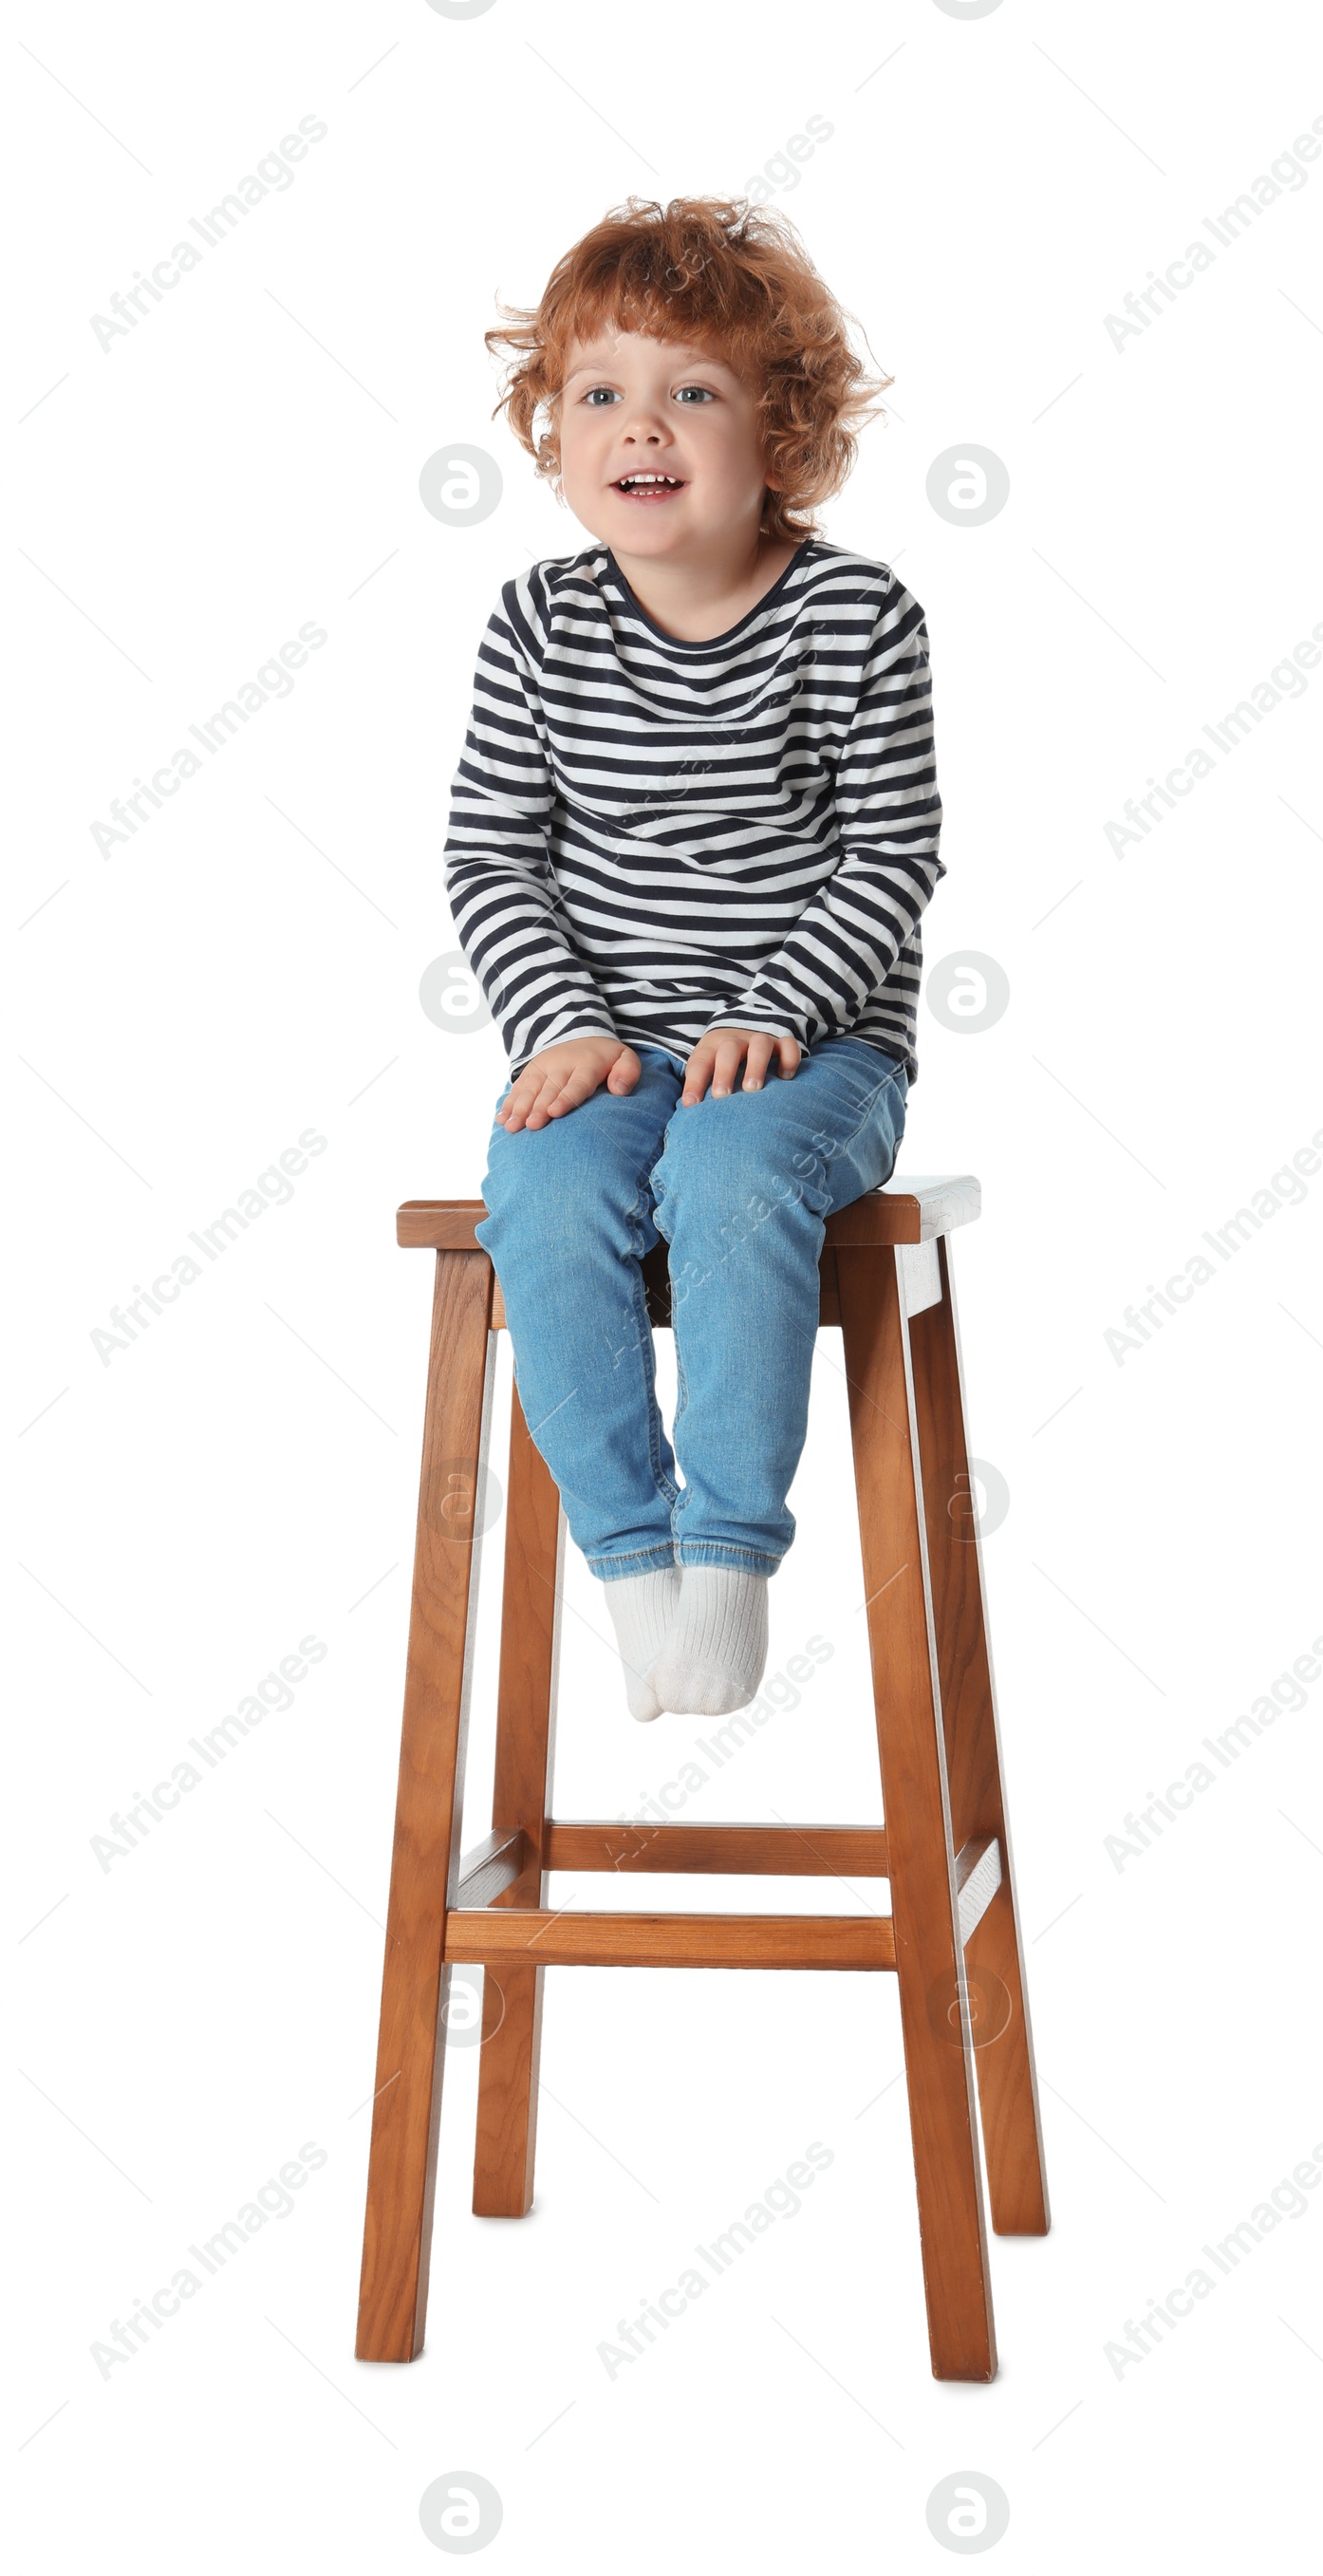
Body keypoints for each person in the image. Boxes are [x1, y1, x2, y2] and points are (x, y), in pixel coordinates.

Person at [444, 196, 943, 1722]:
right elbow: (491, 854)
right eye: (600, 394)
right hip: (608, 1041)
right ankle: (633, 1562)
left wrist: (776, 1012)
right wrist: (564, 1025)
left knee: (726, 1174)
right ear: (553, 432)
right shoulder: (536, 622)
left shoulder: (857, 616)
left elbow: (892, 859)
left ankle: (728, 1555)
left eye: (694, 392)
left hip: (817, 1051)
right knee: (541, 1187)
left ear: (779, 436)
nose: (640, 427)